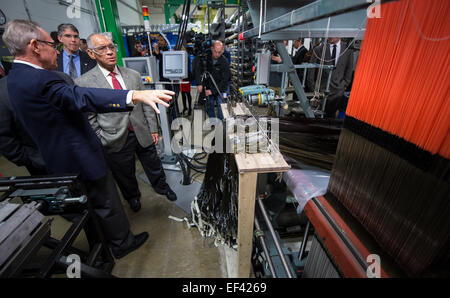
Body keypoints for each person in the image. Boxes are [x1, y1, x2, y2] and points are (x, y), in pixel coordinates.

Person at [2, 19, 175, 259]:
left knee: (87, 209)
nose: (58, 49)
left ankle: (103, 248)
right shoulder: (41, 79)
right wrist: (133, 95)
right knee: (107, 203)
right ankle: (122, 244)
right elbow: (79, 96)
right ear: (34, 46)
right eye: (53, 44)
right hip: (81, 157)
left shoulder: (15, 78)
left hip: (61, 160)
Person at [76, 33, 177, 213]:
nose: (109, 52)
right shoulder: (84, 83)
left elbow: (147, 104)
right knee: (124, 173)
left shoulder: (133, 75)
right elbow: (89, 116)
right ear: (91, 54)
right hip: (114, 137)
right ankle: (133, 197)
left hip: (141, 130)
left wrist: (153, 128)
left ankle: (162, 187)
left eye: (111, 47)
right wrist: (102, 138)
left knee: (153, 164)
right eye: (102, 48)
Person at [307, 37, 353, 118]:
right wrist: (313, 87)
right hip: (321, 91)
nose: (330, 36)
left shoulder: (347, 50)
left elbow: (349, 69)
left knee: (331, 118)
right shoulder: (319, 49)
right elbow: (311, 70)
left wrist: (344, 84)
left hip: (338, 91)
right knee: (317, 117)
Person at [194, 40, 230, 120]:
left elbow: (225, 80)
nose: (217, 54)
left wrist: (213, 91)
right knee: (208, 105)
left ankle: (221, 122)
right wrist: (199, 83)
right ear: (212, 48)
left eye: (220, 52)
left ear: (223, 50)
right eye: (216, 52)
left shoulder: (224, 62)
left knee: (222, 105)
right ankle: (213, 120)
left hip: (221, 86)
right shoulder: (205, 57)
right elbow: (197, 69)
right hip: (209, 84)